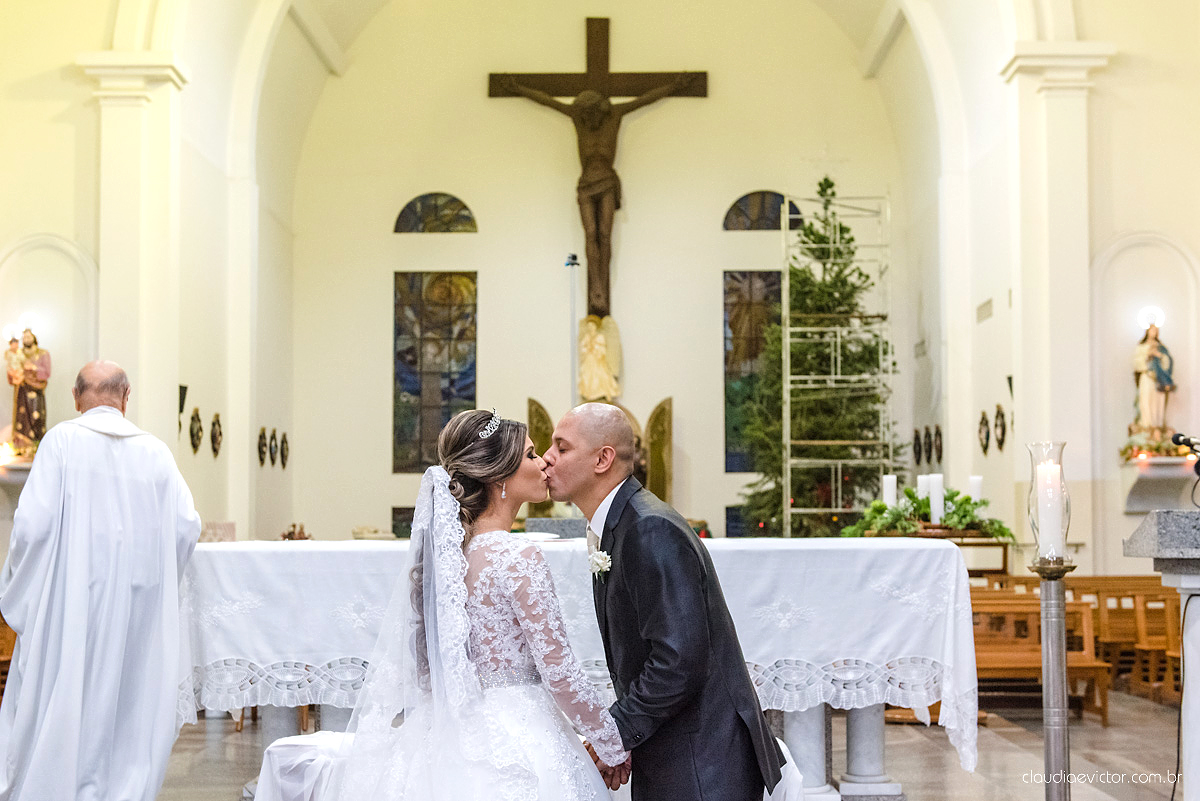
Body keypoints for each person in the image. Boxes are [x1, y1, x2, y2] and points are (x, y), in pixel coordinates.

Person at [293, 409, 628, 801]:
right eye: (532, 455)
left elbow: (429, 669)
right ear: (500, 477)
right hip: (521, 737)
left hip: (449, 737)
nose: (544, 464)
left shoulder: (449, 559)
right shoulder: (518, 557)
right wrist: (614, 744)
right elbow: (560, 673)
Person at [542, 403, 790, 801]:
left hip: (702, 763)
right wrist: (623, 740)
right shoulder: (622, 525)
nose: (547, 457)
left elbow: (680, 660)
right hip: (679, 750)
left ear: (603, 459)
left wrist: (615, 735)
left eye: (561, 447)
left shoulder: (649, 528)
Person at [0, 360, 201, 801]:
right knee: (127, 705)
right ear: (126, 398)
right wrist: (155, 585)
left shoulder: (60, 443)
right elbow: (187, 526)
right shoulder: (156, 452)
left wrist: (20, 593)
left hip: (71, 607)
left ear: (75, 398)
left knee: (68, 698)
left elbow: (32, 529)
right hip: (136, 610)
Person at [501, 74, 697, 318]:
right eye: (582, 114)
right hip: (585, 185)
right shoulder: (578, 119)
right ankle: (595, 285)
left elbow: (645, 99)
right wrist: (518, 88)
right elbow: (547, 101)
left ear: (598, 109)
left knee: (604, 235)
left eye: (588, 113)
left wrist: (674, 86)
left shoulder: (615, 115)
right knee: (590, 233)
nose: (586, 119)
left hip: (606, 183)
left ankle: (601, 286)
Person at [8, 329, 50, 451]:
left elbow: (47, 372)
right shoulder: (18, 354)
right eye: (24, 337)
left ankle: (37, 445)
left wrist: (33, 367)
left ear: (34, 338)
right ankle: (21, 446)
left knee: (36, 415)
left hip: (36, 390)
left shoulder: (42, 353)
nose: (26, 339)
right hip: (22, 389)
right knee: (22, 417)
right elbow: (12, 371)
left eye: (29, 337)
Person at [1132, 323, 1176, 434]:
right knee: (1146, 402)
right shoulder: (1142, 347)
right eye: (1152, 330)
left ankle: (1157, 427)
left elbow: (1167, 363)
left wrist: (1160, 356)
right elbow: (1136, 363)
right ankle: (1147, 427)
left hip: (1158, 380)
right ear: (1147, 332)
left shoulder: (1161, 348)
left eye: (1156, 331)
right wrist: (1148, 355)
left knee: (1158, 403)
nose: (1154, 333)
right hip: (1147, 377)